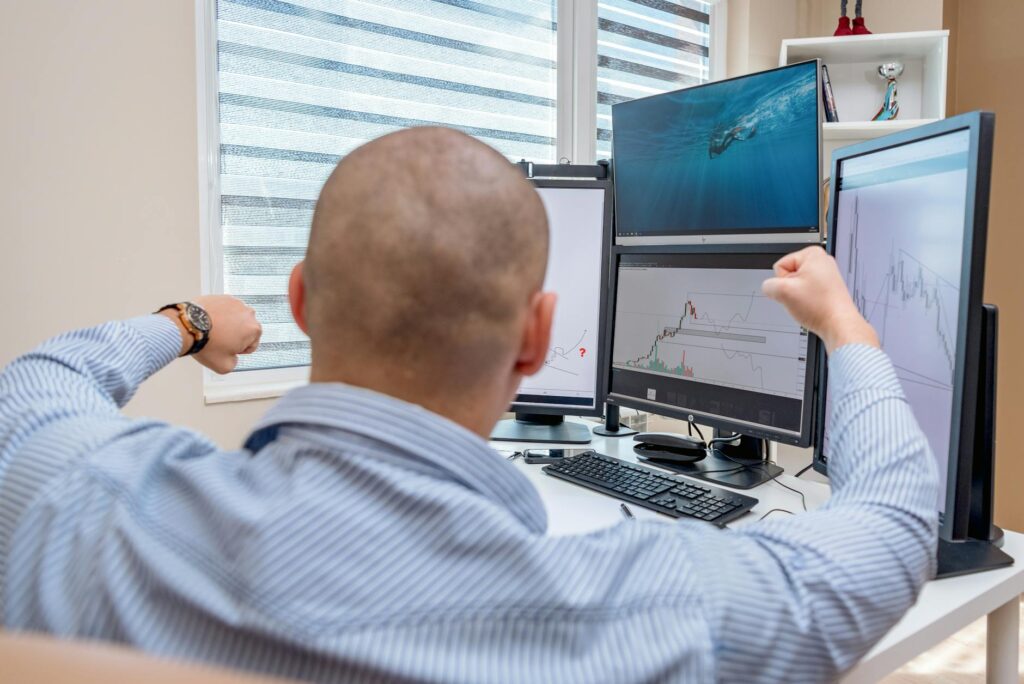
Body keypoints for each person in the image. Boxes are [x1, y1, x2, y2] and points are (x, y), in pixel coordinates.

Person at [0, 127, 937, 683]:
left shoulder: (78, 500)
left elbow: (40, 381)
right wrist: (846, 330)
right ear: (536, 337)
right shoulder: (641, 608)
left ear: (300, 301)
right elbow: (895, 520)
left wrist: (188, 321)